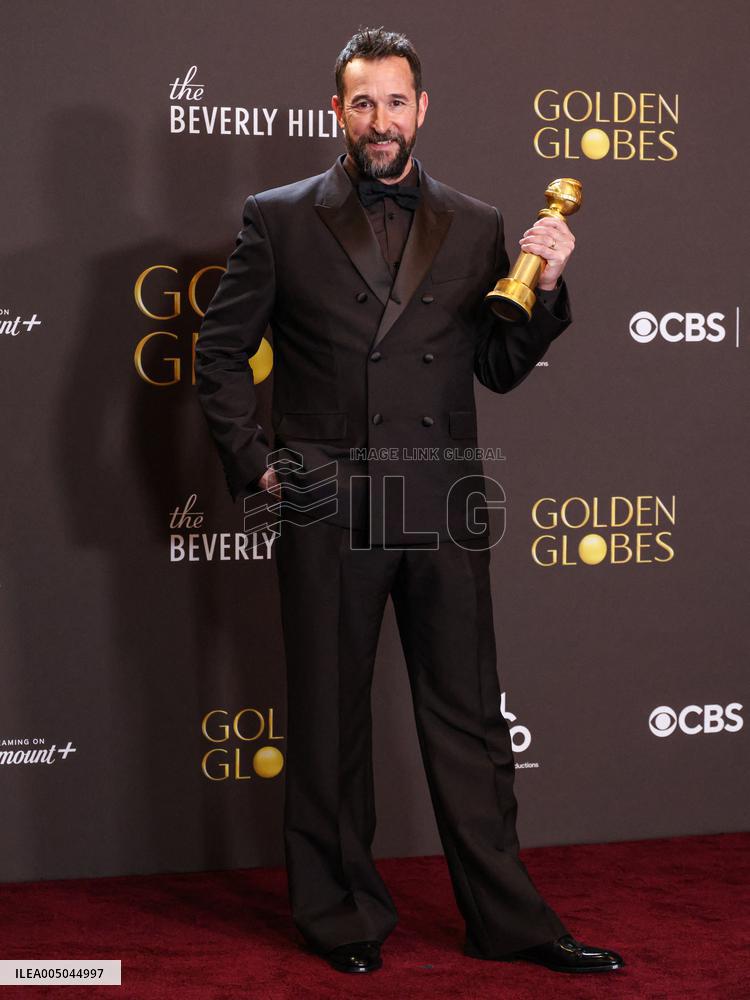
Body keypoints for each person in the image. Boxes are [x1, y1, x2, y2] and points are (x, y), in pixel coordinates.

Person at [195, 27, 624, 976]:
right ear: (336, 111)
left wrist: (547, 286)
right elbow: (220, 354)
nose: (379, 121)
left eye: (396, 102)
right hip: (329, 498)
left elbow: (501, 368)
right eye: (362, 102)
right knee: (329, 718)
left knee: (469, 718)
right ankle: (340, 916)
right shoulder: (278, 215)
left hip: (441, 498)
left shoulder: (477, 222)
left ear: (422, 109)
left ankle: (507, 920)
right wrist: (259, 463)